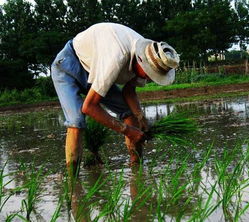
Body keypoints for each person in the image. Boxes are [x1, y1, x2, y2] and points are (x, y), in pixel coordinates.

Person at [51, 22, 179, 174]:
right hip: (69, 64)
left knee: (130, 114)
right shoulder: (116, 58)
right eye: (149, 74)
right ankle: (73, 182)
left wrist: (140, 117)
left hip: (96, 67)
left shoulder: (151, 55)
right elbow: (89, 107)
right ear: (141, 61)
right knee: (76, 121)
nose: (148, 78)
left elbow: (129, 91)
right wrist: (127, 130)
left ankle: (136, 170)